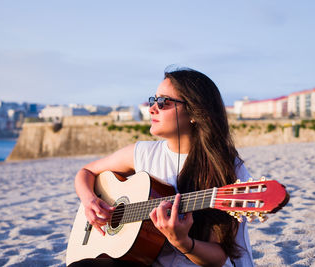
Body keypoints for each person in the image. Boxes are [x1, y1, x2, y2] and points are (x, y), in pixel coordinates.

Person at [70, 66, 254, 267]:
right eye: (153, 100)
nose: (151, 108)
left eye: (163, 102)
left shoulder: (225, 167)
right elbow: (86, 172)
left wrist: (182, 242)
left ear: (194, 112)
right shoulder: (143, 153)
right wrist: (90, 201)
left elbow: (219, 257)